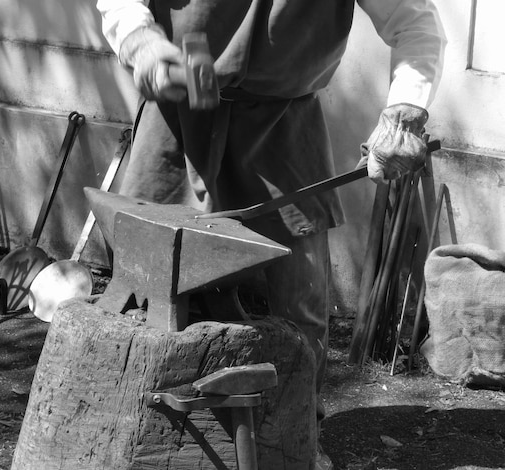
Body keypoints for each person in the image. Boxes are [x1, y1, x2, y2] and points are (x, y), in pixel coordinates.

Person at [96, 1, 446, 468]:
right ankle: (147, 434)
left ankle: (299, 438)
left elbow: (415, 21)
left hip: (283, 130)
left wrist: (405, 112)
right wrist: (139, 40)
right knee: (146, 288)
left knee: (300, 304)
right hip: (177, 124)